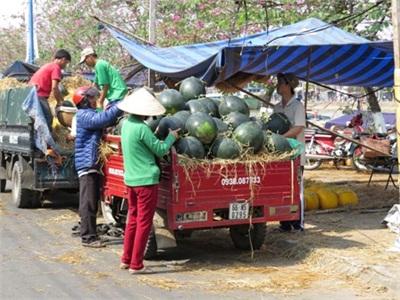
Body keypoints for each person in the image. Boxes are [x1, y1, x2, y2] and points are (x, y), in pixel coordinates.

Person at [117, 87, 180, 274]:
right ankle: (136, 264)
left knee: (133, 220)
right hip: (146, 181)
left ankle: (126, 259)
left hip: (131, 180)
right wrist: (171, 137)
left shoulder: (127, 125)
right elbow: (160, 150)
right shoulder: (142, 129)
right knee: (144, 222)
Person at [73, 86, 122, 248]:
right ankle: (88, 237)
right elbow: (102, 119)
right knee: (88, 202)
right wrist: (120, 105)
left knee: (91, 201)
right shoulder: (84, 115)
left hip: (91, 163)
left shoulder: (89, 114)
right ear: (85, 101)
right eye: (92, 98)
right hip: (87, 165)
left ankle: (90, 233)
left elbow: (104, 118)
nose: (95, 100)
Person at [274, 72, 306, 232]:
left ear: (287, 85)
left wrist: (280, 138)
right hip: (281, 155)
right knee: (282, 189)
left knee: (296, 189)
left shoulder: (297, 106)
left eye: (279, 83)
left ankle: (298, 223)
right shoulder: (277, 107)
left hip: (295, 155)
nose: (277, 85)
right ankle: (285, 223)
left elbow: (298, 127)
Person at [29, 49, 71, 129]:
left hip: (32, 94)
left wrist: (61, 99)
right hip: (38, 95)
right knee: (48, 118)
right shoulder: (56, 68)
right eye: (66, 63)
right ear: (63, 59)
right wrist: (59, 102)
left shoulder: (48, 65)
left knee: (38, 120)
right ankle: (45, 141)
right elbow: (54, 87)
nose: (65, 66)